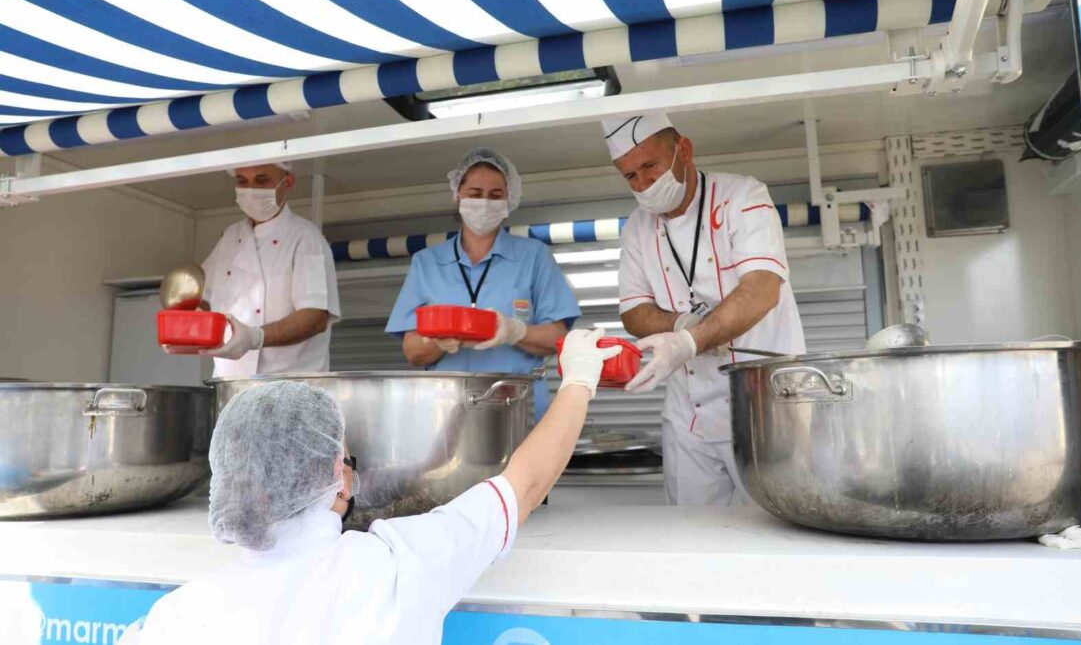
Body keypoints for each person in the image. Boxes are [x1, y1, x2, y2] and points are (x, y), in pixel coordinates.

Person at [119, 328, 621, 645]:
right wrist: (579, 380)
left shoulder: (177, 617)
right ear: (340, 473)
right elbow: (525, 484)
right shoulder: (394, 566)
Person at [604, 114, 806, 507]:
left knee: (775, 535)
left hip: (764, 410)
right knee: (693, 541)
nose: (643, 185)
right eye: (630, 176)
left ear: (684, 149)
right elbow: (633, 310)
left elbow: (763, 288)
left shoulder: (743, 197)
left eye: (650, 166)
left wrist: (688, 342)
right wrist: (680, 323)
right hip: (689, 417)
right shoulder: (636, 228)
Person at [386, 148, 580, 419]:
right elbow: (412, 351)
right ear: (458, 195)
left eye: (495, 196)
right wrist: (438, 341)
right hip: (445, 410)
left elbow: (558, 339)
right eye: (475, 194)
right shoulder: (426, 263)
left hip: (516, 405)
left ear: (509, 200)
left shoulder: (534, 256)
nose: (485, 203)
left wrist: (514, 331)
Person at [175, 162, 340, 377]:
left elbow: (314, 317)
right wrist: (187, 327)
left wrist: (254, 337)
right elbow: (204, 297)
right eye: (242, 181)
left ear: (287, 182)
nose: (251, 189)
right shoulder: (230, 237)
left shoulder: (306, 238)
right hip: (230, 385)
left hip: (290, 388)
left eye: (261, 180)